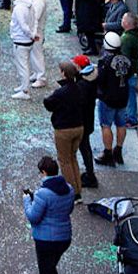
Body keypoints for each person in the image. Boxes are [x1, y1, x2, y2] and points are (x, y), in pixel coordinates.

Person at [23, 156, 74, 274]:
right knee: (51, 272)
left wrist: (26, 201)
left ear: (44, 172)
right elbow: (68, 209)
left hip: (46, 241)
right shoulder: (69, 188)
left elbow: (33, 217)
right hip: (64, 237)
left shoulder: (43, 193)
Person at [42, 60, 84, 195]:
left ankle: (72, 192)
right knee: (73, 158)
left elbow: (48, 103)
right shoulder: (79, 88)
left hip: (64, 129)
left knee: (65, 161)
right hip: (79, 127)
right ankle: (78, 189)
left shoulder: (61, 92)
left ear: (64, 73)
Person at [95, 33, 133, 167]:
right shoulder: (127, 60)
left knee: (106, 125)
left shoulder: (105, 62)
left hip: (108, 98)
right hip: (123, 97)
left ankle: (108, 153)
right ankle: (119, 149)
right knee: (121, 124)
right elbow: (130, 73)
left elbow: (100, 80)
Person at [9, 0, 39, 99]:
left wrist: (31, 35)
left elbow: (23, 25)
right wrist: (33, 34)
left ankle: (25, 90)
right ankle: (23, 86)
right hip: (26, 39)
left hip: (21, 40)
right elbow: (34, 21)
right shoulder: (29, 5)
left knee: (23, 66)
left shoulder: (19, 8)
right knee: (23, 65)